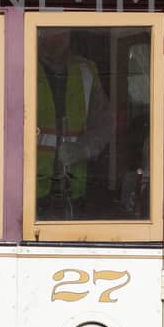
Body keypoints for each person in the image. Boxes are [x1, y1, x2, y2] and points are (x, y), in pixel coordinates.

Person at [35, 28, 111, 215]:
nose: (55, 38)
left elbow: (104, 123)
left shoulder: (86, 71)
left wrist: (84, 148)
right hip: (28, 186)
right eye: (48, 32)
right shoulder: (22, 66)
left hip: (73, 185)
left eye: (61, 32)